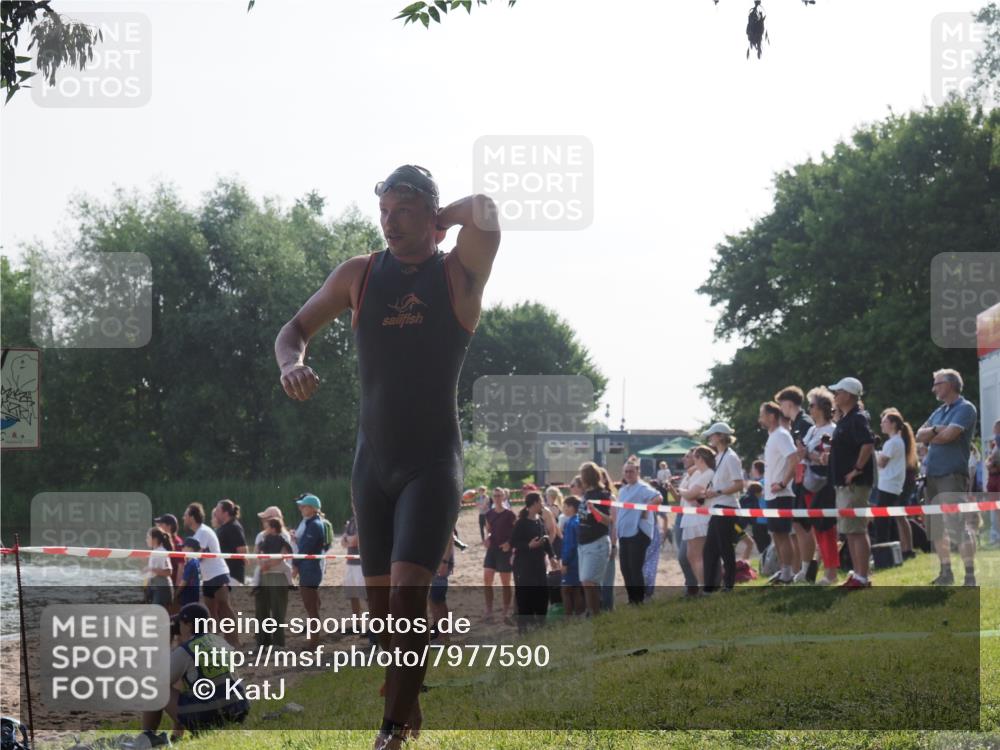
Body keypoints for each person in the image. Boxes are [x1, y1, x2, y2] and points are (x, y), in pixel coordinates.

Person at [276, 165, 499, 749]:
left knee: (407, 596)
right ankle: (409, 697)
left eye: (403, 211)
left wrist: (442, 220)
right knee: (383, 624)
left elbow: (487, 214)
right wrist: (290, 364)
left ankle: (392, 730)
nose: (389, 222)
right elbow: (293, 329)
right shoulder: (360, 274)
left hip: (432, 464)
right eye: (384, 212)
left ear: (429, 214)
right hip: (371, 467)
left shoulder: (458, 276)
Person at [138, 602, 249, 747]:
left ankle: (147, 736)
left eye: (181, 624)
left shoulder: (186, 650)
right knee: (188, 683)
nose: (178, 628)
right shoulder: (220, 641)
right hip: (238, 711)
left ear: (189, 625)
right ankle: (176, 737)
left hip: (209, 716)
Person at [915, 368, 979, 586]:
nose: (934, 388)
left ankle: (970, 576)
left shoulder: (966, 408)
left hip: (951, 474)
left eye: (937, 383)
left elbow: (950, 436)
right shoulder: (939, 412)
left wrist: (932, 435)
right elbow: (919, 434)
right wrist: (937, 430)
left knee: (958, 526)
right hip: (931, 475)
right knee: (936, 529)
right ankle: (946, 573)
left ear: (950, 384)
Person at [823, 377, 875, 589]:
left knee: (857, 530)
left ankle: (862, 576)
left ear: (849, 395)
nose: (835, 396)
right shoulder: (847, 419)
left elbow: (867, 444)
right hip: (844, 484)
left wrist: (856, 470)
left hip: (854, 484)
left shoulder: (857, 418)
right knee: (851, 531)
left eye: (838, 392)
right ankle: (858, 574)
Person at [776, 386, 817, 584]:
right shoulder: (797, 423)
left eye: (781, 404)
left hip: (809, 481)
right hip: (800, 481)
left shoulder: (805, 422)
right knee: (798, 526)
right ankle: (802, 568)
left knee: (804, 526)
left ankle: (808, 568)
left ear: (789, 403)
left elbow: (809, 453)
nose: (780, 408)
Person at [183, 503, 238, 646]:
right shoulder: (198, 533)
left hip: (218, 574)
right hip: (207, 577)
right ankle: (216, 644)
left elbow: (197, 555)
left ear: (192, 517)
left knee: (224, 607)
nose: (184, 517)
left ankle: (234, 642)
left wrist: (187, 556)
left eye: (186, 515)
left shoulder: (203, 532)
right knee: (211, 613)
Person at [801, 387, 840, 585]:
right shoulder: (812, 430)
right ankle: (826, 571)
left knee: (826, 530)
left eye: (812, 405)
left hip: (824, 484)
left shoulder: (832, 430)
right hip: (809, 484)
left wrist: (806, 454)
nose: (808, 408)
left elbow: (827, 459)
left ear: (822, 407)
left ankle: (831, 574)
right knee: (817, 530)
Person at [700, 423, 745, 593]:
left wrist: (717, 492)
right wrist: (712, 492)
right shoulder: (720, 457)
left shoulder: (731, 457)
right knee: (710, 549)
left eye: (712, 435)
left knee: (724, 548)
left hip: (727, 508)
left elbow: (739, 484)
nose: (710, 438)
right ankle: (711, 587)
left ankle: (728, 585)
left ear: (720, 436)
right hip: (718, 507)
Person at [759, 402, 799, 585]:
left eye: (762, 414)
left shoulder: (781, 435)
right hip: (771, 495)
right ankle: (783, 572)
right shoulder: (773, 436)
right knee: (776, 534)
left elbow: (794, 459)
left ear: (772, 416)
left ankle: (788, 573)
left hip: (782, 494)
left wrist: (783, 483)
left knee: (783, 534)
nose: (760, 418)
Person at [616, 460, 661, 604]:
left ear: (637, 472)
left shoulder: (642, 487)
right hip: (624, 533)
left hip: (638, 532)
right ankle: (632, 599)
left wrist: (645, 509)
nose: (628, 474)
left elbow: (658, 498)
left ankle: (639, 600)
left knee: (635, 567)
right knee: (625, 568)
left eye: (631, 471)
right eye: (626, 471)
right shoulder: (623, 490)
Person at [875, 408, 918, 558]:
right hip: (893, 485)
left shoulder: (892, 443)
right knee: (899, 517)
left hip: (887, 485)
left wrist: (874, 454)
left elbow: (881, 463)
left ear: (893, 424)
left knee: (882, 521)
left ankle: (882, 553)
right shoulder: (898, 441)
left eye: (885, 421)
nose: (882, 424)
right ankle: (907, 549)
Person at [510, 492, 553, 632]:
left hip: (539, 563)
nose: (543, 504)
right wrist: (528, 545)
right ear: (534, 503)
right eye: (541, 501)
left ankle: (540, 623)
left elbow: (545, 539)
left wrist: (552, 556)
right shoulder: (521, 523)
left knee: (542, 593)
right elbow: (513, 542)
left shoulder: (539, 520)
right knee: (525, 594)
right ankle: (523, 627)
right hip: (524, 565)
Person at [576, 462, 614, 616]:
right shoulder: (585, 495)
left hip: (597, 542)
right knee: (586, 582)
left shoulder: (602, 494)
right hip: (584, 544)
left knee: (588, 580)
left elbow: (607, 520)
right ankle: (591, 611)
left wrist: (594, 510)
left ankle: (595, 613)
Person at [291, 493, 327, 644]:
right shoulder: (313, 523)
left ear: (312, 508)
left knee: (311, 607)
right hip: (309, 567)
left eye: (304, 506)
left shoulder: (314, 525)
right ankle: (315, 639)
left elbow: (304, 549)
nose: (301, 509)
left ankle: (314, 642)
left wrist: (295, 565)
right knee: (313, 605)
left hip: (310, 569)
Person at [253, 518, 293, 647]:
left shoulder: (283, 536)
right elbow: (256, 552)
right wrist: (262, 565)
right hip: (263, 576)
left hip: (277, 575)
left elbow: (282, 555)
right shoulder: (262, 536)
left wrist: (267, 565)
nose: (264, 523)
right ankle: (263, 642)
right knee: (261, 611)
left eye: (267, 520)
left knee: (278, 611)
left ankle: (278, 644)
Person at [483, 487, 516, 622]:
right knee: (487, 579)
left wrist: (509, 543)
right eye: (495, 495)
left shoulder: (510, 514)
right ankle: (489, 611)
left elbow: (516, 532)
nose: (497, 498)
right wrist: (487, 538)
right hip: (492, 550)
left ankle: (506, 611)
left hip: (505, 550)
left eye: (499, 495)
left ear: (504, 497)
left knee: (505, 582)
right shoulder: (489, 514)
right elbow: (489, 530)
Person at [559, 495, 584, 616]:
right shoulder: (579, 520)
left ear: (572, 507)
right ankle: (579, 614)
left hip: (572, 561)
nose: (564, 509)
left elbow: (569, 545)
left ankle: (568, 616)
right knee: (577, 589)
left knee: (566, 590)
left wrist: (564, 563)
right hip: (580, 560)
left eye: (565, 506)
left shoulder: (570, 523)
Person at [429, 531, 455, 644]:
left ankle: (444, 637)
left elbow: (450, 538)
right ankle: (441, 634)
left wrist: (444, 561)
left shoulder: (441, 515)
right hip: (434, 560)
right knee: (433, 599)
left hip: (441, 561)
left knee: (437, 599)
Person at [213, 499, 247, 585]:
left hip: (232, 577)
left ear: (226, 513)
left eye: (218, 510)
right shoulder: (222, 528)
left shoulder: (234, 527)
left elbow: (243, 551)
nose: (215, 513)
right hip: (222, 575)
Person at [342, 514, 367, 623]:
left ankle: (372, 627)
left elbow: (354, 541)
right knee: (352, 594)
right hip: (350, 563)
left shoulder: (364, 518)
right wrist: (348, 539)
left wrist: (347, 538)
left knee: (366, 596)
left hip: (361, 564)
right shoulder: (352, 520)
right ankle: (357, 624)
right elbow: (343, 543)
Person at [143, 527, 174, 609]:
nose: (146, 540)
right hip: (155, 587)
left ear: (155, 539)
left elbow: (169, 571)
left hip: (161, 588)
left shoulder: (161, 552)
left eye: (148, 537)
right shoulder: (155, 552)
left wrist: (150, 569)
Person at [155, 514, 185, 593]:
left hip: (171, 584)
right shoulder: (163, 542)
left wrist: (177, 589)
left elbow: (181, 565)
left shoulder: (177, 542)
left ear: (169, 526)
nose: (159, 526)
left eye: (161, 524)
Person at [175, 538, 202, 608]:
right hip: (194, 594)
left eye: (183, 547)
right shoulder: (196, 561)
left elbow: (184, 582)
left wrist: (175, 594)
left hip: (189, 596)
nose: (181, 549)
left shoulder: (191, 564)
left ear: (190, 549)